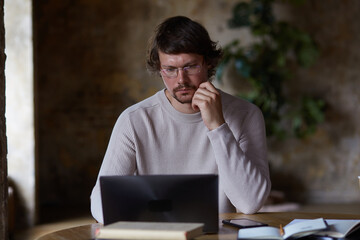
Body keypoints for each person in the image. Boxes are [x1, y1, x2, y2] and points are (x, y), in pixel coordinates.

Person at [90, 16, 271, 223]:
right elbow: (100, 205)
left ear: (208, 63)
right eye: (170, 69)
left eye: (190, 66)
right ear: (160, 69)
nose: (181, 80)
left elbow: (250, 202)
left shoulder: (246, 115)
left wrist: (217, 126)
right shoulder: (134, 120)